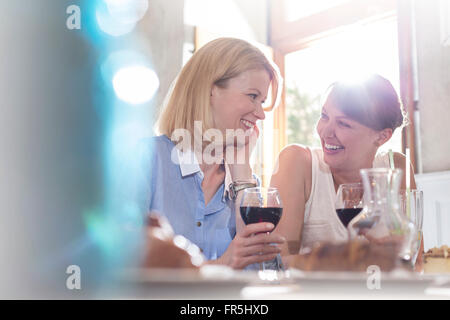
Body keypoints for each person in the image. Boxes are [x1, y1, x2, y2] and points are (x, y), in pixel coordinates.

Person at [140, 37, 285, 269]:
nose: (261, 113)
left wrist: (241, 173)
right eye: (252, 96)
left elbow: (268, 275)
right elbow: (123, 271)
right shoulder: (146, 159)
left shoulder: (246, 186)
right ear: (210, 90)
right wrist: (222, 265)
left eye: (263, 101)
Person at [270, 74, 421, 260]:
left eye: (343, 124)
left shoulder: (395, 167)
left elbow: (414, 259)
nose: (325, 132)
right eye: (324, 116)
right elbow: (279, 259)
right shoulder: (297, 162)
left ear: (382, 137)